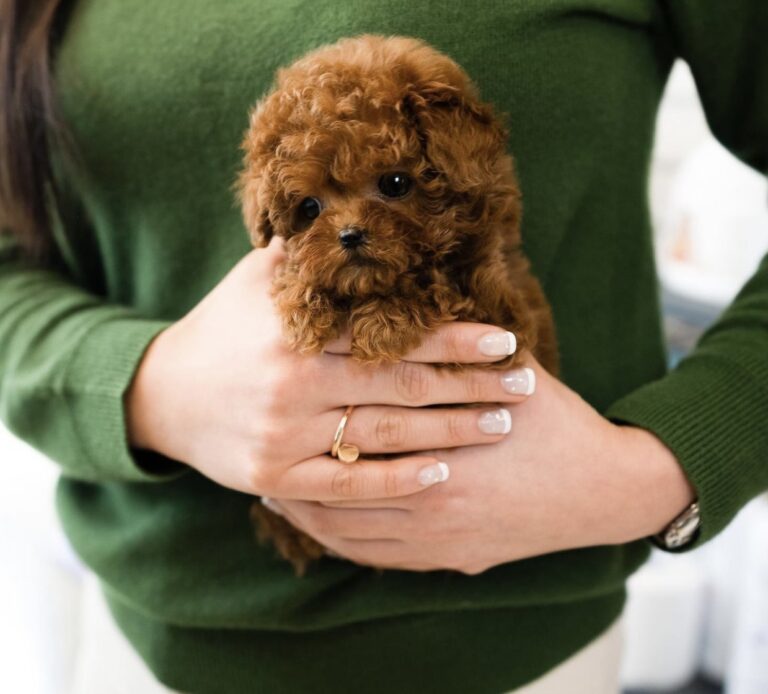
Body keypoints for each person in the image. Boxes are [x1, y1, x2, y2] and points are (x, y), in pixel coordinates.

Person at [0, 1, 766, 693]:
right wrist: (146, 385)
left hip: (515, 659)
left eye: (393, 185)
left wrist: (661, 466)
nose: (352, 221)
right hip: (138, 651)